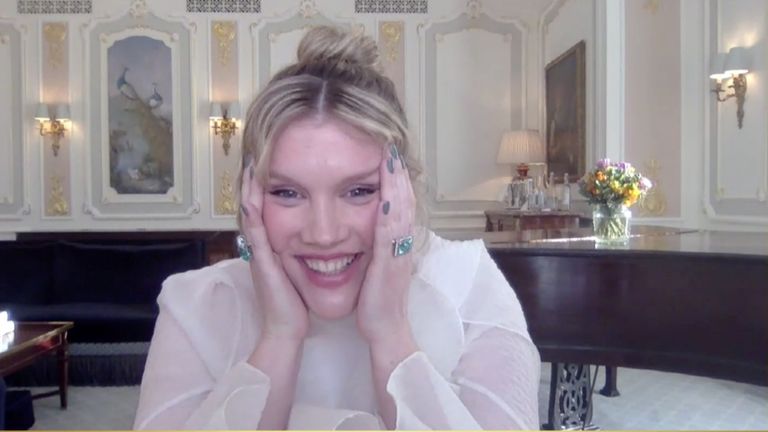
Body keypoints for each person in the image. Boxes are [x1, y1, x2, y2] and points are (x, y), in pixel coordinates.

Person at [134, 26, 540, 430]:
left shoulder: (470, 287)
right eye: (288, 193)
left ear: (404, 188)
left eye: (359, 190)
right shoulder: (195, 306)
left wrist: (390, 331)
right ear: (249, 197)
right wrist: (279, 336)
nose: (324, 234)